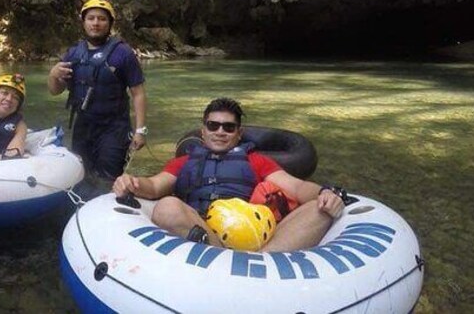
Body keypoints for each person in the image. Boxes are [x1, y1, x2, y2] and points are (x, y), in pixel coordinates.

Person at [112, 98, 345, 252]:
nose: (220, 132)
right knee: (166, 206)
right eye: (213, 126)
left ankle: (261, 262)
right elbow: (153, 186)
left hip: (255, 239)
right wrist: (131, 182)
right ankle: (222, 257)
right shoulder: (183, 162)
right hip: (202, 229)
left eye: (228, 127)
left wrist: (325, 192)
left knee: (319, 209)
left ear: (238, 133)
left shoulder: (256, 160)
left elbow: (296, 187)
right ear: (203, 131)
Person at [48, 0, 147, 181]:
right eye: (91, 18)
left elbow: (138, 93)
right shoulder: (74, 53)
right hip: (83, 125)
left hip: (114, 127)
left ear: (110, 23)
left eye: (101, 19)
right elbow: (55, 91)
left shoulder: (123, 53)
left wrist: (140, 130)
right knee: (81, 175)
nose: (96, 23)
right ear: (84, 22)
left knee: (107, 177)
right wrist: (53, 74)